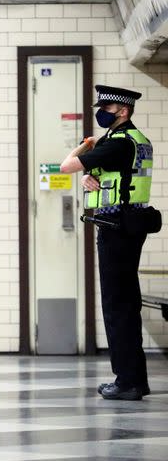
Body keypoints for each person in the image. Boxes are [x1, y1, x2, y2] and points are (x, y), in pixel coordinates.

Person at [60, 84, 153, 401]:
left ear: (123, 111)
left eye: (108, 108)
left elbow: (66, 165)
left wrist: (83, 147)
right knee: (126, 304)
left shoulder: (118, 143)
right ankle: (135, 379)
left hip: (116, 229)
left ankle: (126, 382)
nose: (102, 112)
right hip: (128, 225)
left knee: (117, 306)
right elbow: (108, 178)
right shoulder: (130, 141)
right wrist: (89, 177)